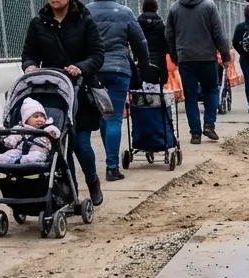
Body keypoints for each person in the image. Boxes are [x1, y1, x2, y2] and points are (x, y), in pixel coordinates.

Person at [22, 0, 106, 205]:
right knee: (61, 147)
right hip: (53, 94)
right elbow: (28, 54)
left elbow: (98, 55)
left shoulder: (84, 21)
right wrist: (30, 66)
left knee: (81, 144)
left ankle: (92, 180)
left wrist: (81, 67)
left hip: (81, 92)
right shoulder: (38, 23)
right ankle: (71, 193)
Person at [88, 0, 149, 182]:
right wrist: (144, 64)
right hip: (119, 69)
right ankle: (112, 167)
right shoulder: (125, 12)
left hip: (94, 70)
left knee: (102, 116)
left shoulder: (86, 11)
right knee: (114, 117)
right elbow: (139, 42)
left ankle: (110, 157)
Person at [165, 0, 231, 145]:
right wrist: (225, 55)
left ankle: (195, 133)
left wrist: (175, 55)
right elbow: (218, 32)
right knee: (211, 90)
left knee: (190, 95)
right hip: (207, 58)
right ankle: (209, 124)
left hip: (185, 59)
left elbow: (169, 34)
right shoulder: (209, 6)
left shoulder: (175, 8)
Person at [0, 98, 61, 165]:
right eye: (36, 117)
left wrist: (53, 132)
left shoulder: (47, 128)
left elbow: (56, 133)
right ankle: (13, 160)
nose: (40, 119)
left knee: (36, 156)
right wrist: (4, 136)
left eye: (43, 117)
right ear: (26, 119)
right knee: (7, 155)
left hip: (38, 150)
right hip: (20, 151)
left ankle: (23, 161)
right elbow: (12, 141)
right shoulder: (20, 129)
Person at [137, 0, 171, 86]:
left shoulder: (136, 24)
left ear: (142, 9)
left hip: (140, 65)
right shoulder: (161, 26)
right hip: (159, 67)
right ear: (156, 9)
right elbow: (167, 45)